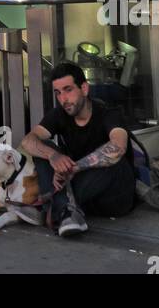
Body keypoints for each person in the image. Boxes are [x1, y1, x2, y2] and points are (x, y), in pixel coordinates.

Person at [20, 61, 136, 237]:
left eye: (68, 90)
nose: (63, 99)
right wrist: (54, 156)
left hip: (113, 196)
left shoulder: (108, 112)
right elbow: (28, 141)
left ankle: (53, 209)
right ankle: (65, 211)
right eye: (58, 93)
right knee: (44, 148)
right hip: (80, 192)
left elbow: (118, 147)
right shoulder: (60, 114)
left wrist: (74, 168)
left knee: (111, 159)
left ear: (84, 88)